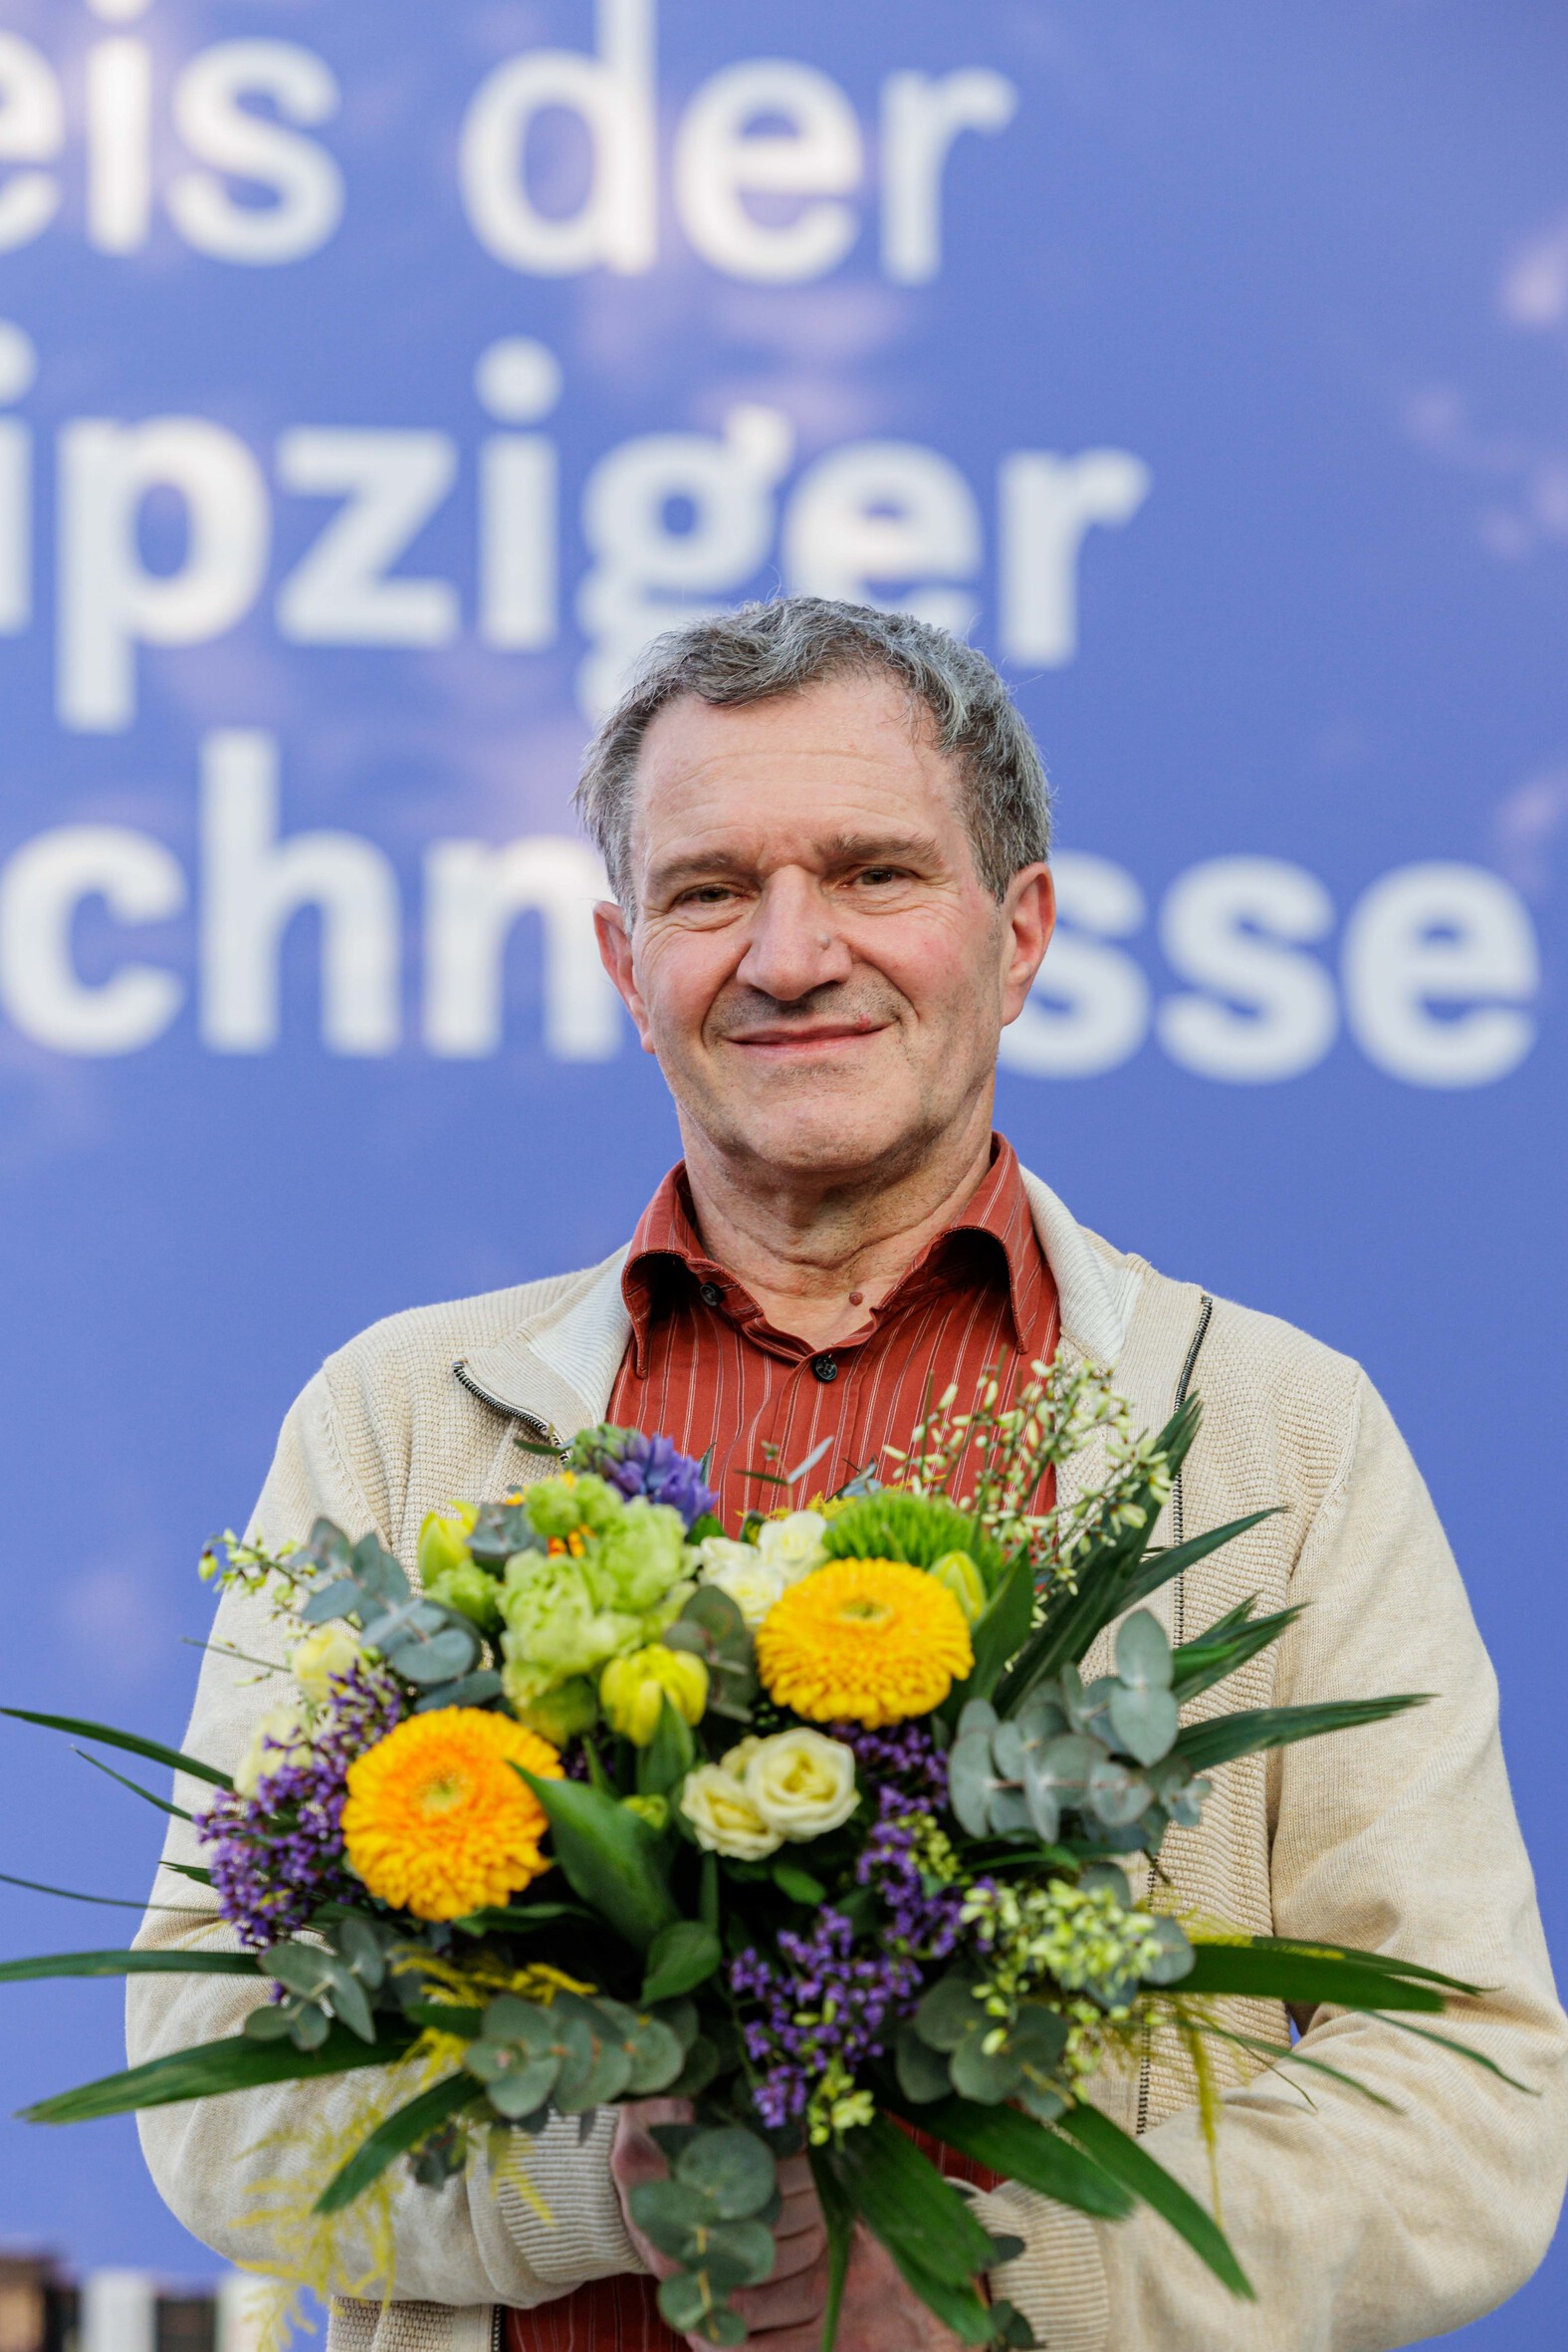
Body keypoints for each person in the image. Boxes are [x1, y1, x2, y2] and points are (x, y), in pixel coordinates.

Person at [130, 597, 1568, 2352]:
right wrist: (598, 2178)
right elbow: (212, 2062)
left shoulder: (1281, 1431)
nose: (791, 953)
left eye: (876, 873)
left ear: (1019, 933)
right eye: (710, 890)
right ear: (625, 963)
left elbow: (1469, 2096)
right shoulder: (395, 1419)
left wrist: (999, 2267)